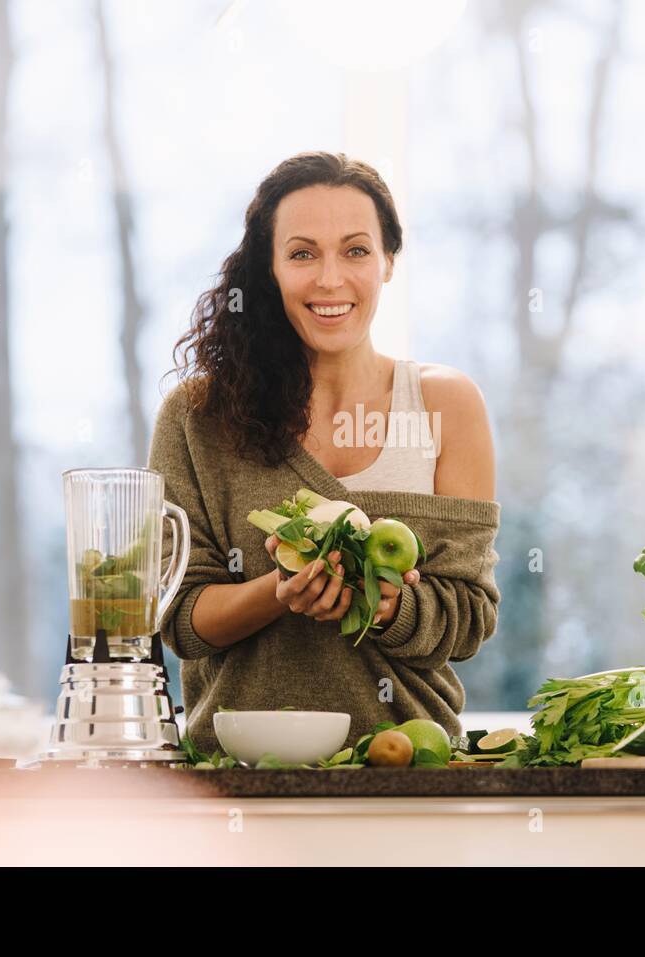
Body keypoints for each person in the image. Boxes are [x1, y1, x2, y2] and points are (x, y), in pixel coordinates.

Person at [149, 150, 500, 754]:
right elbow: (179, 618)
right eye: (303, 253)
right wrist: (278, 593)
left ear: (389, 262)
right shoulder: (199, 416)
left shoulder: (446, 405)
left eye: (357, 250)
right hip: (240, 777)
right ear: (270, 266)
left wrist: (387, 604)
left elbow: (468, 617)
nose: (330, 279)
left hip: (408, 772)